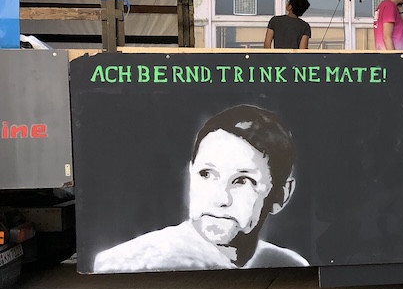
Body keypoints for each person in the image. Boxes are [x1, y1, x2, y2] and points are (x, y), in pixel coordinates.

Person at [93, 105, 308, 272]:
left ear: (280, 196)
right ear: (191, 175)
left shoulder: (289, 263)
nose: (220, 198)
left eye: (242, 181)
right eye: (207, 174)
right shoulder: (125, 262)